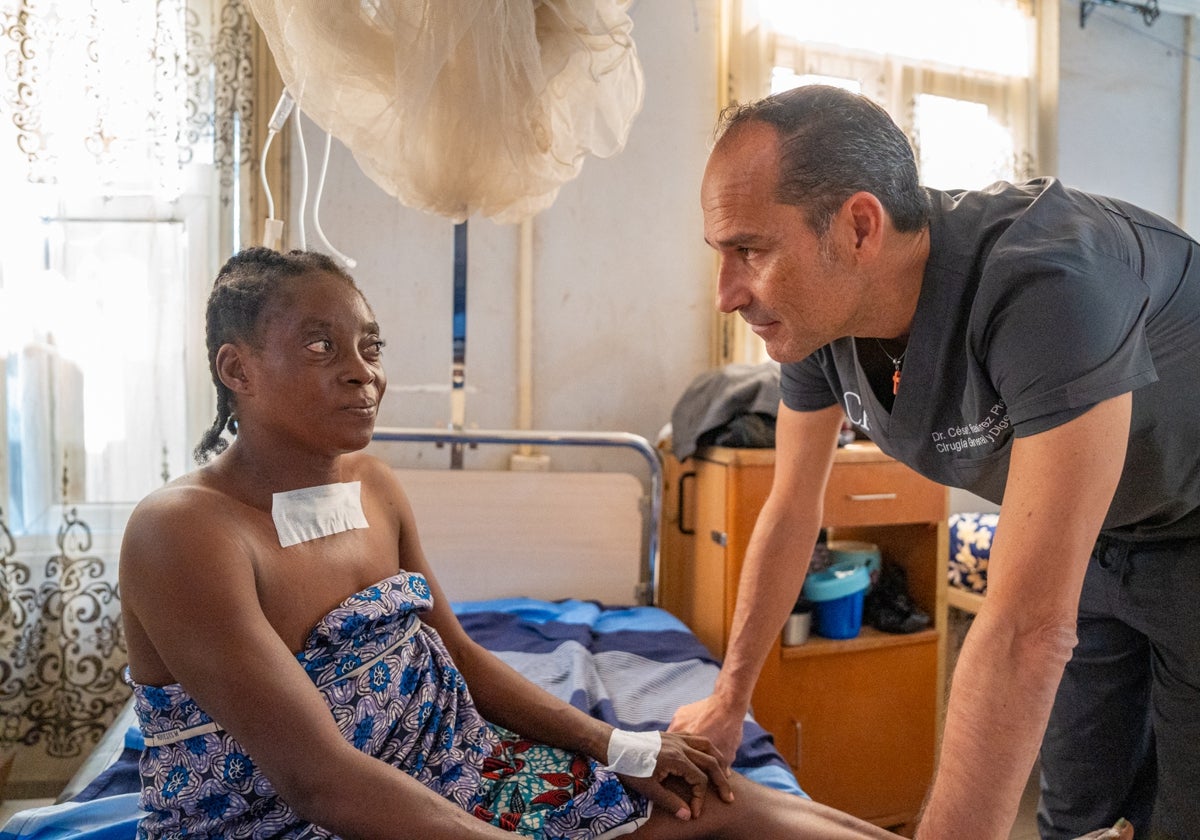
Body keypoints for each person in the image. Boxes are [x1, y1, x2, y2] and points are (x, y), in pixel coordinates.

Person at [119, 247, 922, 839]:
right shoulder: (184, 534)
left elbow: (458, 655)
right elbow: (316, 780)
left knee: (728, 805)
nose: (362, 371)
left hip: (450, 763)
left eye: (371, 346)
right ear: (238, 369)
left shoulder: (373, 485)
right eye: (321, 345)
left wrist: (623, 745)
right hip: (298, 820)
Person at [669, 83, 1199, 840]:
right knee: (1078, 806)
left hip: (1193, 522)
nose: (726, 293)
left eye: (750, 250)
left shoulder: (1049, 284)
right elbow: (792, 509)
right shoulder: (823, 327)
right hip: (1108, 534)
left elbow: (1023, 629)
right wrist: (729, 699)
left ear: (858, 226)